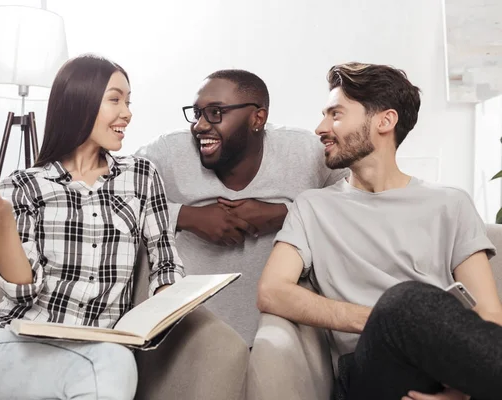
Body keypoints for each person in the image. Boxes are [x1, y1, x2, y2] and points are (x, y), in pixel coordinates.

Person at [0, 54, 185, 400]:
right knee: (109, 367)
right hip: (8, 347)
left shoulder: (141, 176)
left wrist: (165, 307)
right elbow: (22, 293)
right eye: (115, 99)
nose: (127, 112)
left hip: (99, 349)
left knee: (110, 362)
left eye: (128, 101)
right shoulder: (25, 185)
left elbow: (166, 262)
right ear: (79, 103)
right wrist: (2, 224)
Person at [257, 62, 502, 400]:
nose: (320, 128)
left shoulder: (451, 204)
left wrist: (461, 394)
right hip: (369, 371)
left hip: (442, 371)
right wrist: (380, 319)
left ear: (385, 121)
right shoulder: (312, 207)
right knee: (404, 301)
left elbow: (489, 315)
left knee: (408, 303)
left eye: (336, 115)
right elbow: (272, 290)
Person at [136, 69, 347, 345]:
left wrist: (285, 215)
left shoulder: (305, 151)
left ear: (257, 118)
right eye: (197, 113)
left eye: (215, 112)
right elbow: (111, 197)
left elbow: (354, 201)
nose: (199, 125)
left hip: (280, 330)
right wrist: (186, 216)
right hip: (189, 333)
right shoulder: (168, 152)